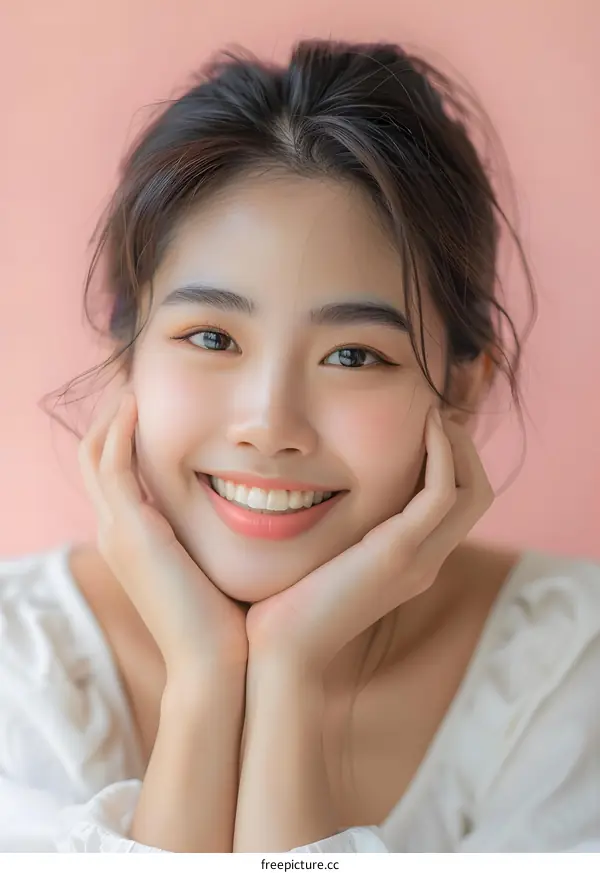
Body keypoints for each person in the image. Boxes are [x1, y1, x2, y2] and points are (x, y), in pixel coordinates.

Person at [0, 39, 598, 854]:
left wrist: (288, 675)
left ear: (464, 386)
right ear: (125, 351)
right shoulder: (21, 670)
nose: (270, 423)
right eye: (211, 336)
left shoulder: (570, 673)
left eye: (353, 355)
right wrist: (207, 685)